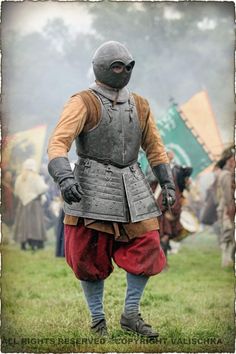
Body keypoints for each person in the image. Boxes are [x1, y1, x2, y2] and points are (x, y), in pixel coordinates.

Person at [47, 41, 176, 337]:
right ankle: (97, 320)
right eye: (117, 67)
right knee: (88, 255)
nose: (124, 72)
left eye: (127, 66)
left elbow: (155, 147)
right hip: (91, 186)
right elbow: (57, 143)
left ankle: (131, 314)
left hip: (133, 184)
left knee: (148, 243)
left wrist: (168, 182)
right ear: (102, 68)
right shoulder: (83, 101)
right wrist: (65, 178)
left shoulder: (140, 104)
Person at [13, 158, 48, 251]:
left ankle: (23, 244)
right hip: (34, 203)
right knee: (34, 224)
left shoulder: (20, 177)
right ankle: (34, 244)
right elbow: (43, 188)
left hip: (23, 203)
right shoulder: (36, 177)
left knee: (23, 223)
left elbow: (16, 191)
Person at [215, 146, 235, 267]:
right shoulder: (226, 174)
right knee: (228, 233)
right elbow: (228, 195)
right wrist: (230, 208)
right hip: (226, 207)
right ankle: (226, 261)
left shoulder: (224, 173)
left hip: (224, 206)